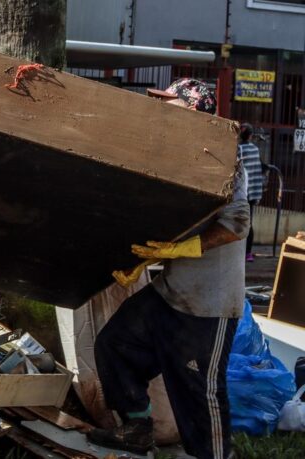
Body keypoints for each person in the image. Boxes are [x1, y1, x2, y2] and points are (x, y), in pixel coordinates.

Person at [88, 78, 249, 459]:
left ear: (192, 109)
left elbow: (236, 224)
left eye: (169, 101)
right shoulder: (172, 156)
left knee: (199, 391)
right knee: (115, 345)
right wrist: (146, 258)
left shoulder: (224, 157)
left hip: (208, 304)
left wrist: (182, 248)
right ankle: (138, 429)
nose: (161, 108)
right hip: (170, 293)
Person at [238, 123, 264, 262]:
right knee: (248, 223)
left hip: (240, 193)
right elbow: (258, 169)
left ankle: (239, 252)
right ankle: (247, 253)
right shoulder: (254, 149)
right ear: (250, 135)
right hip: (252, 194)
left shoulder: (237, 149)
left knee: (238, 222)